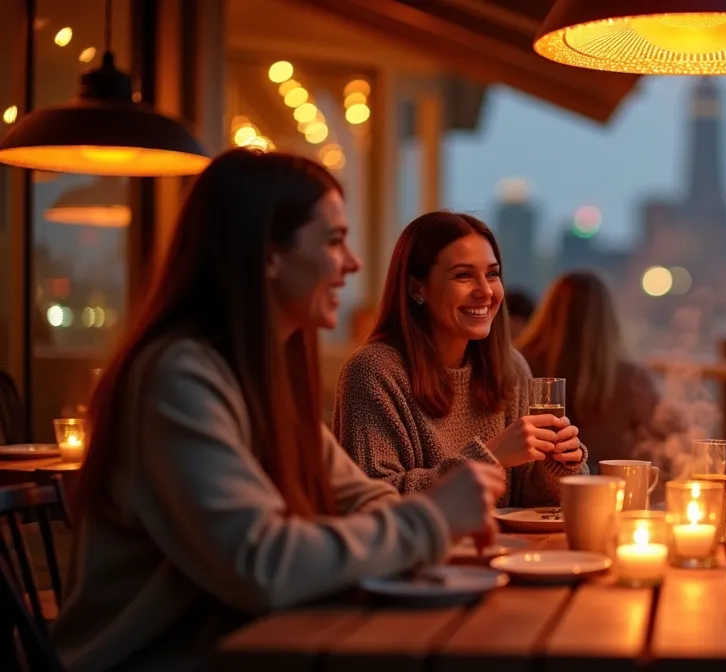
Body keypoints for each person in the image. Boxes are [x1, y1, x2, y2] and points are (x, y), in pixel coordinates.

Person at [51, 149, 505, 672]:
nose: (353, 264)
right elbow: (261, 563)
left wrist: (424, 526)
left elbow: (358, 497)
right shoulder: (177, 378)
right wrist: (432, 520)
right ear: (268, 253)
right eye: (334, 241)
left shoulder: (257, 377)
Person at [333, 211, 586, 504]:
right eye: (463, 275)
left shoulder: (511, 368)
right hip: (426, 551)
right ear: (417, 287)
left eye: (492, 274)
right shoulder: (373, 372)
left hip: (505, 549)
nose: (485, 291)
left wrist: (557, 466)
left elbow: (527, 501)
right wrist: (489, 458)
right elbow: (373, 504)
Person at [517, 270, 684, 473]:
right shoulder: (631, 380)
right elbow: (673, 444)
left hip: (532, 496)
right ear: (607, 318)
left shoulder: (519, 367)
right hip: (612, 495)